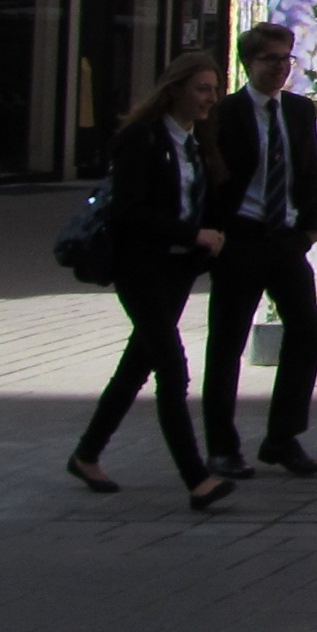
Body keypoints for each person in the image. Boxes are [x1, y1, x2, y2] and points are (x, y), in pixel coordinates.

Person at [68, 53, 234, 510]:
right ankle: (197, 479)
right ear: (175, 89)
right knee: (172, 368)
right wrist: (190, 234)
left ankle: (86, 454)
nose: (210, 98)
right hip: (139, 268)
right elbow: (129, 212)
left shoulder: (197, 140)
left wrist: (210, 235)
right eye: (202, 88)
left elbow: (201, 199)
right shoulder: (140, 138)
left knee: (137, 364)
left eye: (214, 89)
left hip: (177, 270)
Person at [201, 24, 317, 480]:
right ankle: (221, 447)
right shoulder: (226, 113)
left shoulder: (298, 110)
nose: (279, 68)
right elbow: (211, 178)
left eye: (285, 59)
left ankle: (283, 437)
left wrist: (311, 228)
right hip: (242, 238)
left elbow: (311, 171)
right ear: (248, 64)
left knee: (306, 327)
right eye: (270, 60)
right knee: (227, 342)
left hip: (286, 238)